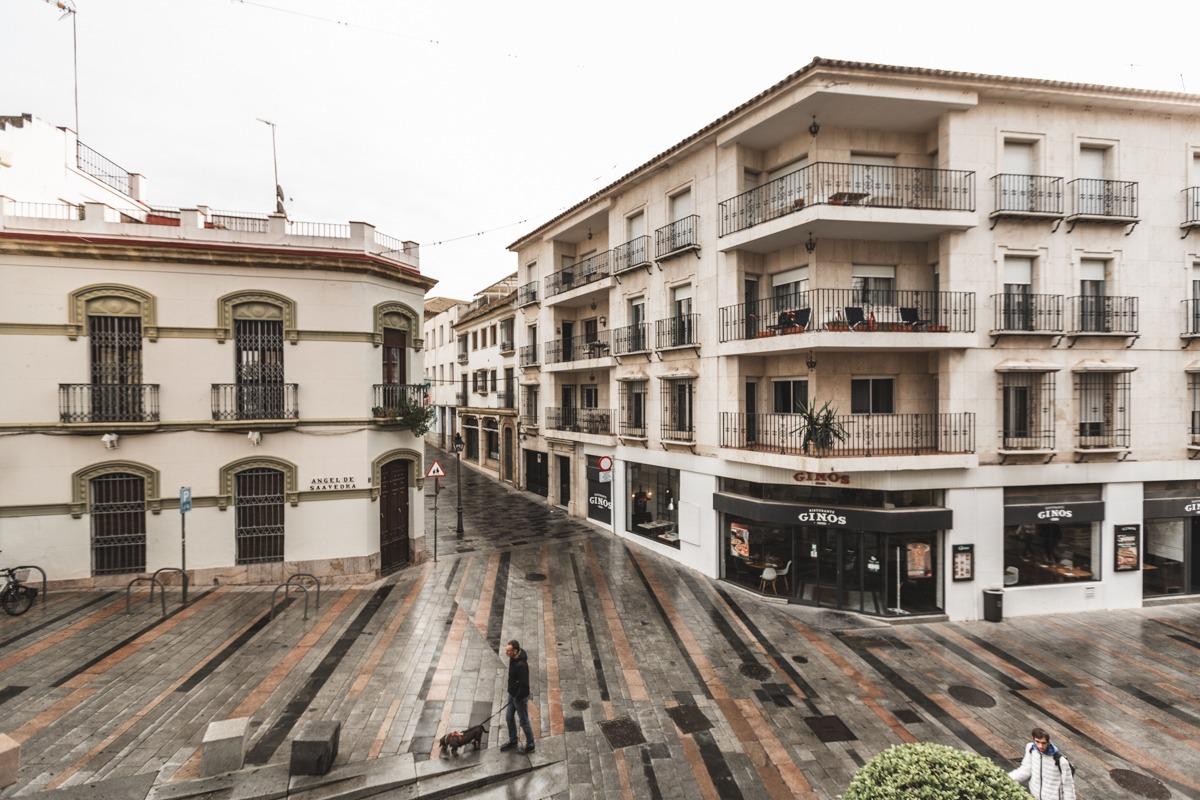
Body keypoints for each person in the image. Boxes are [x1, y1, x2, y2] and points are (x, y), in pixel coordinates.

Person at [1009, 727, 1077, 799]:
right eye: (1037, 742)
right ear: (1033, 738)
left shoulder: (1060, 761)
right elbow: (1025, 770)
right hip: (1034, 796)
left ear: (1048, 742)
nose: (1040, 746)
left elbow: (1068, 787)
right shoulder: (1031, 749)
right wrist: (1006, 778)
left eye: (1043, 743)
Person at [500, 639, 534, 754]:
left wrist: (517, 697)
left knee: (523, 721)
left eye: (508, 651)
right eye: (506, 650)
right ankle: (513, 740)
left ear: (515, 651)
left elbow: (524, 686)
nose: (506, 653)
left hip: (519, 697)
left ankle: (530, 744)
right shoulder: (513, 658)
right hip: (512, 694)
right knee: (509, 717)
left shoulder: (521, 665)